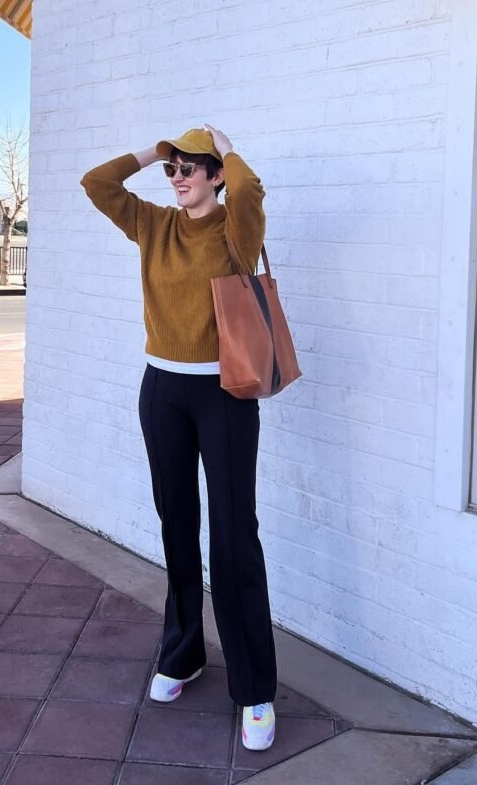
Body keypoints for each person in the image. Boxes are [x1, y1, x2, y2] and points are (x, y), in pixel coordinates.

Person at [80, 125, 277, 751]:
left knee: (233, 535)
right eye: (175, 168)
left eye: (194, 166)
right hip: (161, 390)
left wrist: (224, 143)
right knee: (176, 526)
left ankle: (254, 689)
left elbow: (251, 189)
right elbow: (97, 183)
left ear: (216, 175)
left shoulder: (235, 232)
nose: (180, 175)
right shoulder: (154, 226)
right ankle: (184, 651)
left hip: (224, 396)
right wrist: (154, 151)